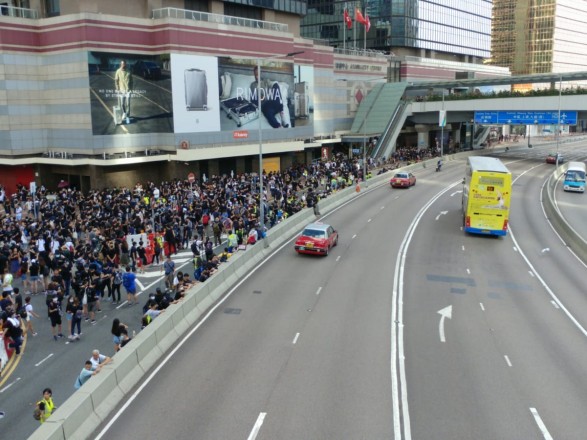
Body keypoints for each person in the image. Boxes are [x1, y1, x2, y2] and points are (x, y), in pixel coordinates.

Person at [114, 60, 133, 124]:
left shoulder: (129, 71)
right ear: (120, 65)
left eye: (124, 65)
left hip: (128, 90)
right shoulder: (118, 71)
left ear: (125, 65)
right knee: (122, 104)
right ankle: (124, 113)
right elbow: (116, 81)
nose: (123, 66)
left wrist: (131, 89)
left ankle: (127, 117)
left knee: (128, 104)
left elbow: (131, 81)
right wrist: (117, 89)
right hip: (121, 90)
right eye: (122, 65)